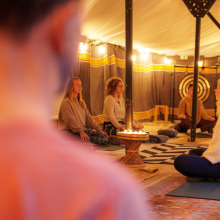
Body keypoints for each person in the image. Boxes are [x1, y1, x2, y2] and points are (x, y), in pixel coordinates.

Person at [0, 0, 150, 219]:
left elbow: (89, 120)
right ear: (62, 29)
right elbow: (75, 124)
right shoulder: (104, 194)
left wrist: (97, 129)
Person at [58, 76, 109, 145]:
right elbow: (70, 120)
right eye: (77, 85)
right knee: (100, 140)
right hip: (69, 132)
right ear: (71, 87)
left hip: (80, 130)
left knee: (103, 137)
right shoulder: (66, 102)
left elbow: (89, 119)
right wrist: (81, 132)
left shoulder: (81, 102)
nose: (80, 87)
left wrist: (99, 129)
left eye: (80, 85)